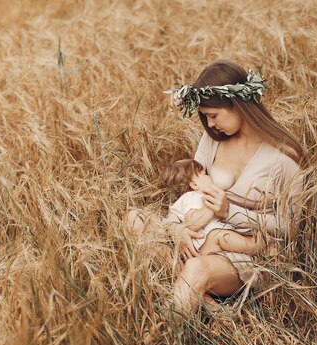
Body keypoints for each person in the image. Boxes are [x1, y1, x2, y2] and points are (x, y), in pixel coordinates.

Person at [127, 59, 305, 315]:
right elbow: (195, 193)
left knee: (196, 269)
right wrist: (178, 230)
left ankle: (163, 335)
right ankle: (208, 303)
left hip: (244, 249)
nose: (209, 125)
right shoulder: (213, 139)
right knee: (134, 219)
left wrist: (229, 211)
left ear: (239, 105)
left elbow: (291, 225)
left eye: (213, 116)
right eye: (205, 117)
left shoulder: (282, 156)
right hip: (201, 233)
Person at [160, 159, 263, 256]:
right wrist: (211, 206)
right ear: (194, 185)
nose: (209, 176)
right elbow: (192, 223)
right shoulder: (191, 197)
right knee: (220, 236)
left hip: (207, 244)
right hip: (204, 243)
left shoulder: (194, 197)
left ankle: (255, 247)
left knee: (224, 236)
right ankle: (254, 247)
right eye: (205, 174)